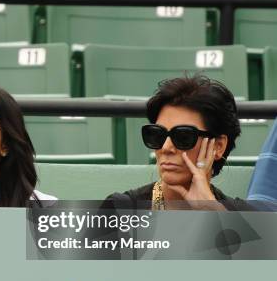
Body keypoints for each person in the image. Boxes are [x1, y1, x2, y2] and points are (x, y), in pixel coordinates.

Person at [104, 75, 249, 211]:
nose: (166, 147)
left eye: (183, 136)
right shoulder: (120, 209)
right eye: (157, 134)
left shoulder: (240, 217)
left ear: (218, 146)